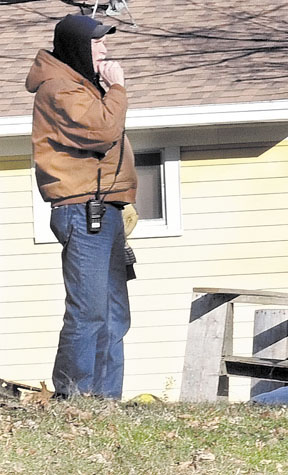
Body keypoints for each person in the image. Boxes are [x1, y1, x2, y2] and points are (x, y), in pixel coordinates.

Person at [26, 14, 137, 399]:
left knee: (113, 314)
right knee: (88, 311)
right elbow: (102, 131)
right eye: (97, 43)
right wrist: (118, 88)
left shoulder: (82, 87)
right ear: (77, 48)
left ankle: (105, 401)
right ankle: (72, 397)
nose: (105, 50)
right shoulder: (59, 88)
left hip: (105, 208)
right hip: (82, 210)